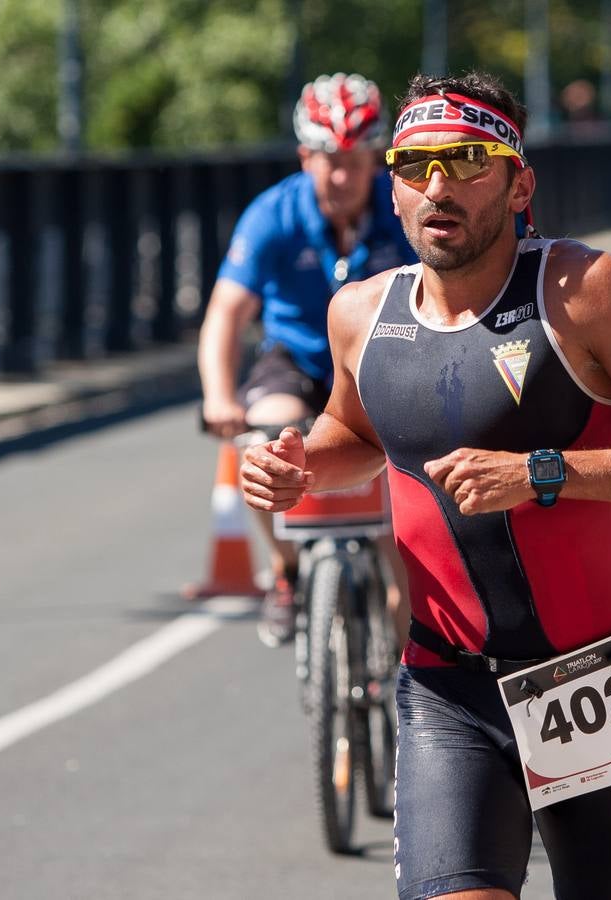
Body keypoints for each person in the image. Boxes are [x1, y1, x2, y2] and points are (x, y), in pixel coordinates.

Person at [240, 71, 611, 900]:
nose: (438, 186)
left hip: (587, 678)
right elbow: (356, 437)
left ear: (519, 184)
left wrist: (543, 473)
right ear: (392, 188)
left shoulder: (582, 293)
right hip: (446, 686)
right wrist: (297, 466)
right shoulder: (360, 313)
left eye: (468, 160)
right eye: (413, 165)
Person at [198, 72, 417, 647]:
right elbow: (226, 314)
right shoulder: (272, 214)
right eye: (327, 159)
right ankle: (286, 569)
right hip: (296, 360)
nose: (341, 175)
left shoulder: (403, 208)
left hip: (380, 359)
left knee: (406, 533)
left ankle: (410, 677)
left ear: (378, 159)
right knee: (259, 440)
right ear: (304, 157)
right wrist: (220, 398)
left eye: (357, 159)